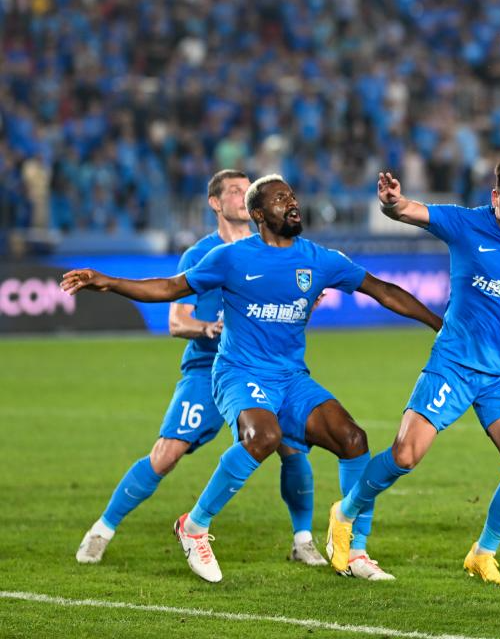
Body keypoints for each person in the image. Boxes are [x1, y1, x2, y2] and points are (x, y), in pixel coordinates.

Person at [61, 174, 442, 583]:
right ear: (258, 214)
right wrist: (110, 282)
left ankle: (351, 550)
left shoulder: (319, 258)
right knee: (261, 437)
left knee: (353, 439)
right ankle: (193, 526)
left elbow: (382, 290)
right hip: (237, 371)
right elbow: (170, 289)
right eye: (280, 199)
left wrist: (439, 324)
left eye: (292, 196)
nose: (292, 203)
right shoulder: (229, 257)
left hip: (290, 377)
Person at [327, 157, 500, 586]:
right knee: (405, 454)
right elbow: (408, 211)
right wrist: (392, 202)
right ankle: (344, 514)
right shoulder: (465, 224)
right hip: (453, 365)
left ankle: (483, 553)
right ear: (496, 197)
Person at [75, 170, 327, 568]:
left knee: (292, 448)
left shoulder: (277, 249)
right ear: (215, 203)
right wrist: (208, 328)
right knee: (167, 453)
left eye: (247, 189)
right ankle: (101, 530)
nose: (243, 195)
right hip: (209, 368)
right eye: (234, 190)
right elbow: (177, 322)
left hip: (266, 369)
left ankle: (303, 540)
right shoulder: (201, 254)